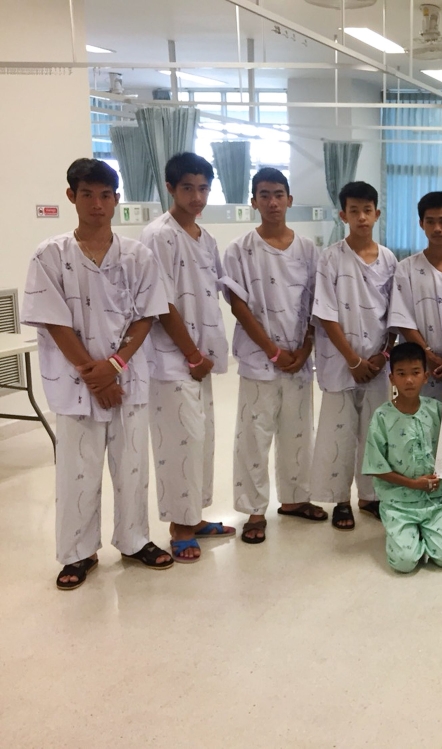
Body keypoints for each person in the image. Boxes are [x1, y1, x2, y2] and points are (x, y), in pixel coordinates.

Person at [22, 158, 172, 589]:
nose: (97, 203)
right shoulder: (50, 255)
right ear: (72, 196)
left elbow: (147, 316)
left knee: (132, 465)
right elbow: (54, 321)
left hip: (128, 380)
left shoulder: (137, 255)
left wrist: (115, 366)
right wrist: (94, 375)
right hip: (74, 383)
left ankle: (135, 538)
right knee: (77, 470)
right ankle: (77, 553)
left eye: (105, 195)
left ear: (116, 200)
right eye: (87, 194)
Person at [141, 152, 235, 563]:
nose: (196, 197)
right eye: (187, 188)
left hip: (201, 360)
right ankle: (179, 526)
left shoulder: (206, 238)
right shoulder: (157, 236)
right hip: (172, 360)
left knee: (201, 441)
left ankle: (193, 517)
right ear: (170, 188)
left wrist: (204, 355)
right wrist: (192, 353)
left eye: (202, 188)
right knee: (180, 443)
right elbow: (160, 303)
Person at [222, 167, 324, 545]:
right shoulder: (240, 250)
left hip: (299, 358)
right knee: (254, 434)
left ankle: (296, 499)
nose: (272, 202)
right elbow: (238, 305)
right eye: (264, 195)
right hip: (258, 359)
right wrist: (272, 351)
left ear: (290, 200)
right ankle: (253, 510)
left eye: (278, 194)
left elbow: (317, 303)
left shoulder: (308, 249)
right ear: (253, 202)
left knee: (298, 432)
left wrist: (304, 349)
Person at [388, 191, 442, 528]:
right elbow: (402, 318)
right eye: (431, 221)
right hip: (420, 371)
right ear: (421, 224)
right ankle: (423, 499)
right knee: (421, 436)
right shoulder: (406, 269)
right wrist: (427, 357)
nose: (437, 228)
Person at [311, 180, 397, 531]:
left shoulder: (389, 259)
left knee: (374, 432)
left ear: (377, 213)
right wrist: (353, 360)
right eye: (354, 211)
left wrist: (381, 356)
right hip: (341, 364)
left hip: (378, 365)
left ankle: (370, 497)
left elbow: (395, 314)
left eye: (368, 210)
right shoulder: (330, 258)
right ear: (343, 214)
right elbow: (326, 314)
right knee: (340, 433)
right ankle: (340, 500)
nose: (362, 217)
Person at [361, 342, 442, 573]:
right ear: (391, 378)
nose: (408, 380)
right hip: (399, 504)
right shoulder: (382, 417)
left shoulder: (436, 409)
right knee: (404, 563)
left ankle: (426, 535)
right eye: (401, 374)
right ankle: (405, 535)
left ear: (425, 377)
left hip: (435, 502)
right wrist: (412, 484)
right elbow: (376, 466)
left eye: (415, 373)